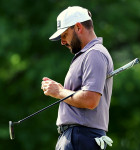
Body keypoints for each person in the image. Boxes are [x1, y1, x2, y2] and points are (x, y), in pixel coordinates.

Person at [41, 6, 113, 150]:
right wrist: (61, 90)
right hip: (76, 136)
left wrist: (59, 92)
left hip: (81, 137)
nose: (62, 41)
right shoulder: (86, 54)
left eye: (64, 35)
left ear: (78, 27)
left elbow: (90, 99)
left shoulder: (94, 54)